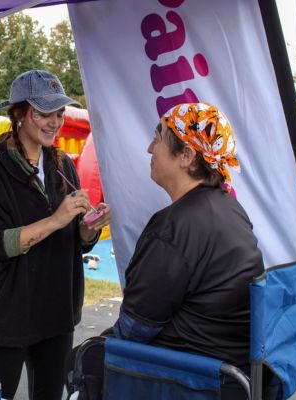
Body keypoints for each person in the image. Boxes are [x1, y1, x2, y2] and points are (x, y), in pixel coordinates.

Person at [69, 103, 265, 400]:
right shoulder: (228, 206)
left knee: (80, 359)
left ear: (186, 156)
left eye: (158, 138)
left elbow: (134, 329)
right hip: (234, 367)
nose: (150, 148)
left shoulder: (174, 228)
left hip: (200, 376)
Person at [0, 69, 112, 400]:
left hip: (55, 314)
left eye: (59, 113)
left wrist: (87, 229)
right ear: (18, 114)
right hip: (4, 318)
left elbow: (74, 241)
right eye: (43, 113)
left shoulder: (61, 165)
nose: (55, 122)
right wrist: (55, 220)